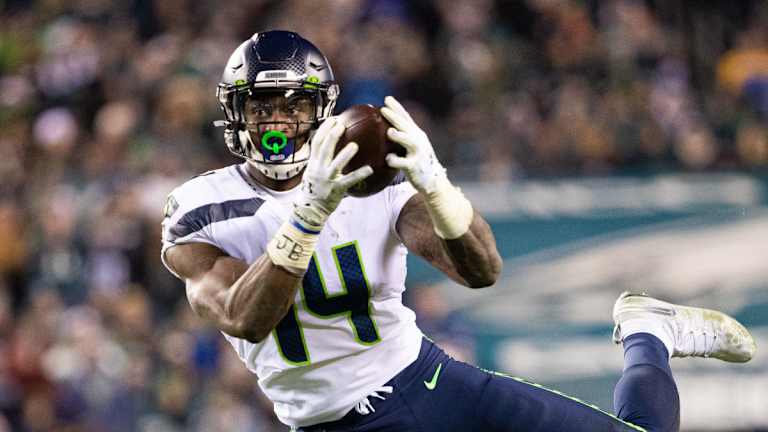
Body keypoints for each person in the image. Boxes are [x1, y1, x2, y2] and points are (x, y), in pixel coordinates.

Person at [161, 30, 756, 432]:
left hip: (430, 383)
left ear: (321, 110)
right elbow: (243, 316)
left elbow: (481, 270)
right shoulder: (202, 207)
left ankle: (647, 332)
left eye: (292, 105)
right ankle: (649, 333)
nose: (276, 122)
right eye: (261, 106)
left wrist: (434, 182)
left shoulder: (372, 179)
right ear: (235, 113)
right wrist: (310, 214)